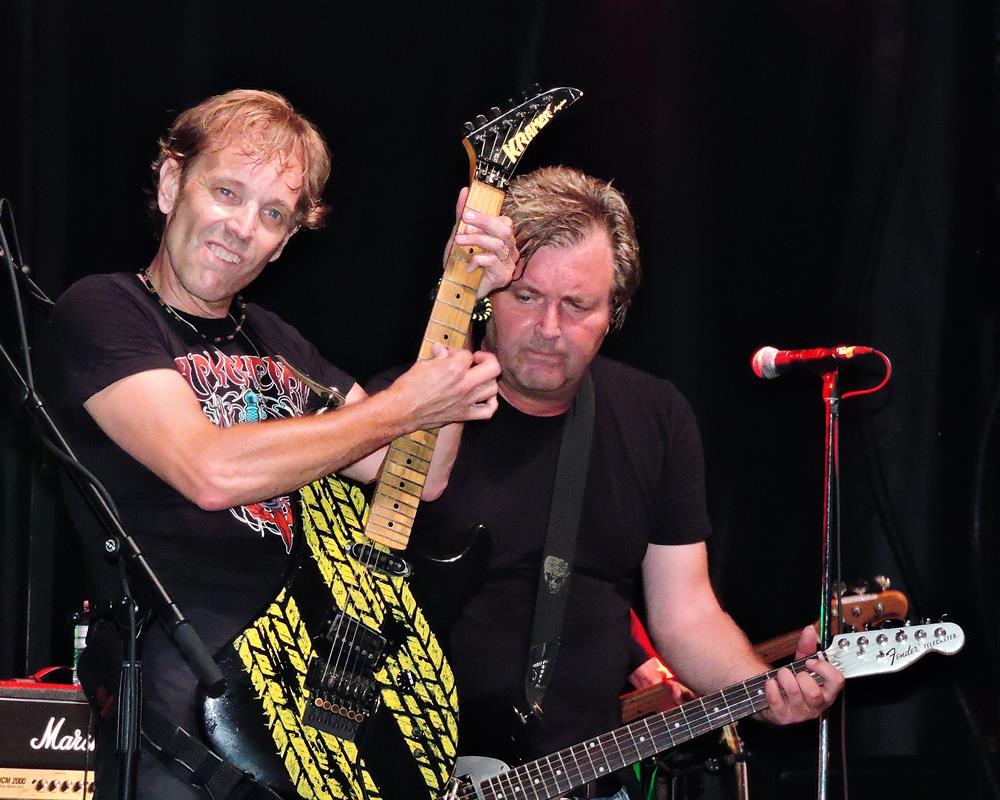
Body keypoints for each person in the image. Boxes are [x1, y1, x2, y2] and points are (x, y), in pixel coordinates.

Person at [41, 89, 517, 798]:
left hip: (300, 716)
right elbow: (207, 470)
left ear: (287, 241)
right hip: (185, 720)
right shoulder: (104, 310)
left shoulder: (279, 342)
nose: (240, 228)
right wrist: (401, 409)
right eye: (226, 192)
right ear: (173, 185)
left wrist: (464, 294)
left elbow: (415, 474)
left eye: (272, 215)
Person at [407, 166, 845, 800]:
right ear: (483, 293)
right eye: (525, 296)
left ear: (615, 312)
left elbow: (686, 613)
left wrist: (764, 694)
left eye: (578, 304)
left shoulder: (655, 417)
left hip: (589, 778)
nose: (549, 327)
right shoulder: (407, 408)